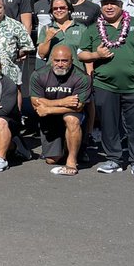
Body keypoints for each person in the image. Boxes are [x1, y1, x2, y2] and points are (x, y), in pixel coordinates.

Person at [78, 0, 134, 179]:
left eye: (113, 3)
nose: (109, 6)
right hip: (104, 85)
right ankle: (114, 159)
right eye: (105, 3)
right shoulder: (93, 29)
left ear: (121, 5)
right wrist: (96, 55)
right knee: (109, 125)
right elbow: (81, 53)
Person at [30, 45, 92, 176]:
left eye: (64, 61)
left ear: (72, 61)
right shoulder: (39, 75)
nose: (60, 64)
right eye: (57, 60)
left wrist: (49, 109)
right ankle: (65, 146)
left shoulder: (82, 77)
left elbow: (78, 106)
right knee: (52, 160)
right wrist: (63, 102)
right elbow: (36, 102)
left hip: (69, 114)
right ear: (51, 60)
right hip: (49, 119)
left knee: (71, 119)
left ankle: (72, 160)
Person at [36, 0, 87, 68]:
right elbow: (41, 54)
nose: (58, 10)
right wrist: (48, 38)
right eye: (55, 8)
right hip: (53, 73)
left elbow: (87, 54)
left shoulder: (81, 28)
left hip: (76, 73)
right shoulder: (47, 29)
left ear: (69, 9)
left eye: (62, 8)